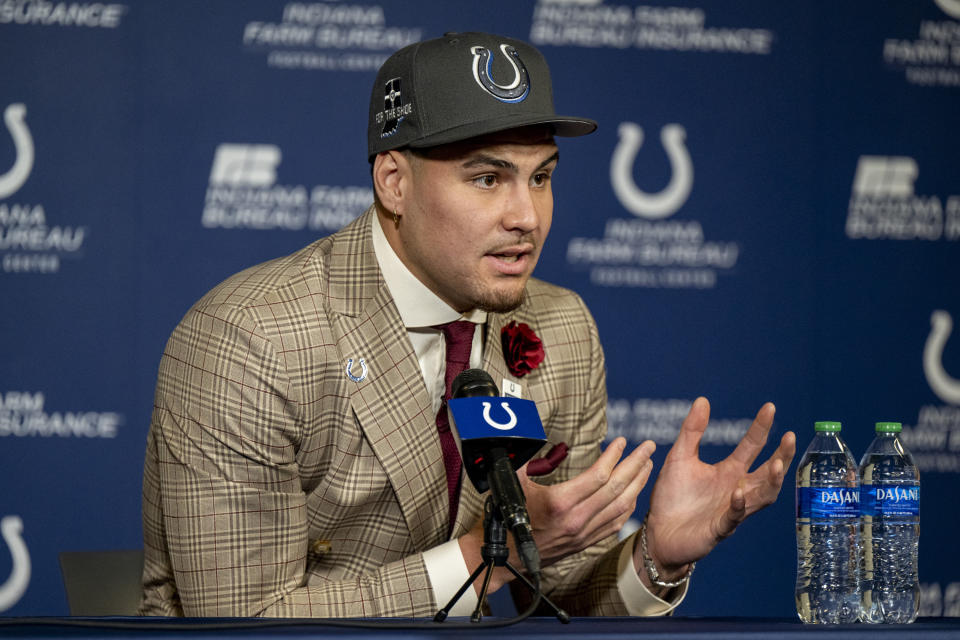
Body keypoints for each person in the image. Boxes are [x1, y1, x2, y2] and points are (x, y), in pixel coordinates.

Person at [138, 31, 796, 618]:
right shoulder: (250, 339)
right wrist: (487, 555)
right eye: (487, 179)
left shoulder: (562, 329)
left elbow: (556, 593)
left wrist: (655, 556)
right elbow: (239, 624)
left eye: (541, 178)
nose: (527, 217)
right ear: (394, 183)